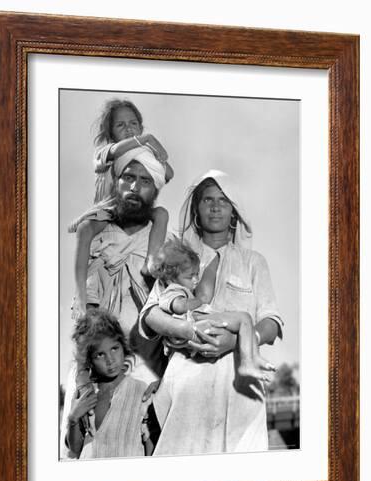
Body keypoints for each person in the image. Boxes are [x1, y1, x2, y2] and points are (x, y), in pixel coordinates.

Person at [140, 169, 284, 456]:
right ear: (196, 209)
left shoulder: (253, 262)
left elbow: (271, 321)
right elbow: (151, 314)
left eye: (224, 200)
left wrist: (236, 342)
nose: (216, 206)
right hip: (186, 385)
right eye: (207, 200)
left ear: (234, 212)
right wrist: (187, 330)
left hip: (239, 386)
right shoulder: (177, 257)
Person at [60, 147, 171, 458]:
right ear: (116, 183)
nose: (134, 187)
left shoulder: (160, 235)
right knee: (80, 448)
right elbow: (84, 304)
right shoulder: (96, 231)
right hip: (94, 361)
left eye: (145, 181)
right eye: (128, 178)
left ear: (155, 190)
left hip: (144, 362)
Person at [69, 99, 175, 319]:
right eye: (121, 125)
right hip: (107, 210)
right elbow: (114, 152)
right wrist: (144, 140)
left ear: (140, 125)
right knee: (86, 229)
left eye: (133, 123)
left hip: (134, 209)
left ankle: (151, 262)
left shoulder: (144, 154)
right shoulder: (107, 151)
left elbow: (167, 174)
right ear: (110, 133)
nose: (128, 129)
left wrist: (158, 153)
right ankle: (80, 293)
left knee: (161, 213)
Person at [148, 237, 276, 383]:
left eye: (197, 274)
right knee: (244, 318)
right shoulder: (172, 289)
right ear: (171, 277)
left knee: (243, 322)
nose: (196, 280)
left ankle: (250, 359)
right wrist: (199, 301)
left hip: (195, 324)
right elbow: (178, 306)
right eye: (191, 276)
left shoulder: (179, 287)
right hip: (195, 320)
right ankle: (248, 362)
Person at [65, 309, 154, 459]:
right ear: (90, 360)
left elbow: (149, 445)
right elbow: (75, 448)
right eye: (100, 354)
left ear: (123, 347)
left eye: (114, 348)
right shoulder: (86, 395)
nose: (110, 360)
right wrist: (73, 418)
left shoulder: (141, 390)